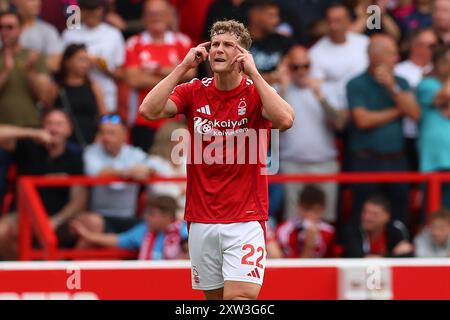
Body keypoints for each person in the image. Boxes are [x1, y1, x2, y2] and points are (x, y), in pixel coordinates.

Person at [139, 20, 294, 300]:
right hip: (201, 219)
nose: (218, 50)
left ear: (242, 55)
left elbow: (285, 119)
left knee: (239, 300)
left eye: (227, 45)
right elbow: (148, 110)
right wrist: (183, 67)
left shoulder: (256, 94)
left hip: (245, 220)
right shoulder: (193, 90)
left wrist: (256, 74)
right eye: (215, 44)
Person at [346, 34, 421, 226]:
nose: (396, 59)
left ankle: (399, 251)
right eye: (391, 54)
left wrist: (392, 86)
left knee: (399, 214)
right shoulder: (356, 83)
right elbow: (363, 120)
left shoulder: (400, 82)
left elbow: (414, 113)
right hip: (366, 161)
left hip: (397, 160)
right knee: (364, 215)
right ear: (374, 56)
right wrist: (398, 110)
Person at [0, 110, 87, 259]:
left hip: (60, 218)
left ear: (69, 129)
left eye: (59, 124)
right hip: (24, 216)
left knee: (93, 224)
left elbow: (79, 198)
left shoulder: (75, 155)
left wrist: (56, 220)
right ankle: (25, 274)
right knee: (2, 232)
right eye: (49, 124)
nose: (53, 129)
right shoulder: (28, 146)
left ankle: (64, 274)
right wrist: (32, 133)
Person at [279, 45, 347, 223]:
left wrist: (321, 97)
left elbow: (339, 123)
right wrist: (283, 89)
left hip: (324, 163)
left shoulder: (325, 89)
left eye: (306, 66)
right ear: (287, 67)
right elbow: (270, 123)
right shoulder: (278, 90)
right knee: (293, 220)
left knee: (326, 218)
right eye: (295, 67)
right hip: (292, 164)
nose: (301, 71)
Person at [125, 0, 194, 152]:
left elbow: (191, 73)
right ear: (144, 17)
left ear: (169, 16)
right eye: (151, 14)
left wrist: (155, 69)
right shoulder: (134, 43)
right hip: (142, 120)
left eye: (160, 13)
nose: (156, 17)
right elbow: (133, 79)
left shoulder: (182, 42)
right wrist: (175, 75)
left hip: (175, 119)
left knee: (175, 169)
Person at [73, 114, 149, 248]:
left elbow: (153, 167)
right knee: (91, 223)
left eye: (111, 133)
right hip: (100, 216)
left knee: (155, 224)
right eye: (103, 133)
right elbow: (96, 172)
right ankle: (72, 267)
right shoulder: (91, 152)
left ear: (124, 135)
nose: (106, 137)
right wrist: (127, 172)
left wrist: (148, 170)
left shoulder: (135, 153)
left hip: (129, 217)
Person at [72, 195, 189, 260]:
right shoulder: (144, 231)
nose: (148, 217)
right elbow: (117, 240)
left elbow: (192, 253)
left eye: (153, 214)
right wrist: (87, 235)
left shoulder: (183, 232)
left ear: (167, 217)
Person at [62, 0, 125, 113]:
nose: (91, 13)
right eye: (87, 8)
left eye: (95, 8)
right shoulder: (69, 34)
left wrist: (102, 66)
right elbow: (61, 67)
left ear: (102, 10)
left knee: (106, 126)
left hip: (107, 95)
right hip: (75, 96)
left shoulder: (114, 34)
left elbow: (121, 73)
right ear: (81, 10)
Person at [310, 3, 369, 112]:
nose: (334, 26)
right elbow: (317, 89)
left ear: (348, 21)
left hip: (368, 105)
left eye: (338, 21)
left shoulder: (364, 43)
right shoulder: (315, 53)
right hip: (340, 112)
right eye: (330, 21)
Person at [394, 27, 437, 171]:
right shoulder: (398, 70)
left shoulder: (439, 71)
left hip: (431, 135)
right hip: (405, 134)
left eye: (434, 46)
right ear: (414, 45)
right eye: (426, 45)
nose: (431, 50)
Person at [0, 11, 52, 127]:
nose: (4, 31)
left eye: (10, 27)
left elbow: (45, 98)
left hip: (29, 125)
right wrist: (6, 71)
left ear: (21, 29)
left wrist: (30, 70)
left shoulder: (34, 57)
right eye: (1, 27)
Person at [50, 44, 107, 148]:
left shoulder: (93, 86)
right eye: (81, 60)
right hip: (65, 145)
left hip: (93, 141)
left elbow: (104, 115)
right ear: (67, 62)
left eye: (87, 60)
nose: (85, 64)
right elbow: (48, 112)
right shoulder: (57, 88)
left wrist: (101, 135)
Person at [416, 45, 450, 209]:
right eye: (446, 61)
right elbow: (443, 96)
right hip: (435, 161)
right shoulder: (427, 84)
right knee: (433, 213)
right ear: (436, 63)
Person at [342, 194, 414, 258]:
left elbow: (406, 254)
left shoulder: (396, 229)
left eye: (374, 214)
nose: (367, 217)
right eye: (365, 212)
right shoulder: (352, 230)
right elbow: (359, 258)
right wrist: (392, 255)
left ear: (386, 216)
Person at [276, 185, 336, 258]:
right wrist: (309, 246)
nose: (310, 214)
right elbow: (293, 267)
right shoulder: (284, 230)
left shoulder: (329, 232)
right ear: (299, 207)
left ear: (323, 210)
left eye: (316, 210)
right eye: (306, 209)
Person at [247, 0, 294, 85]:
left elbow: (288, 72)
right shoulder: (241, 43)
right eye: (271, 15)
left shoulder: (281, 40)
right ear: (255, 15)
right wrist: (273, 77)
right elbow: (242, 80)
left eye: (276, 15)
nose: (276, 20)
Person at [147, 120, 187, 219]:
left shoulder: (187, 160)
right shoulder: (154, 162)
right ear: (170, 140)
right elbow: (162, 195)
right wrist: (183, 190)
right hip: (163, 217)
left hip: (187, 215)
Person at [14, 0, 63, 73]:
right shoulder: (5, 28)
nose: (36, 3)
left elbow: (55, 64)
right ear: (17, 2)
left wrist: (35, 60)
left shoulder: (49, 31)